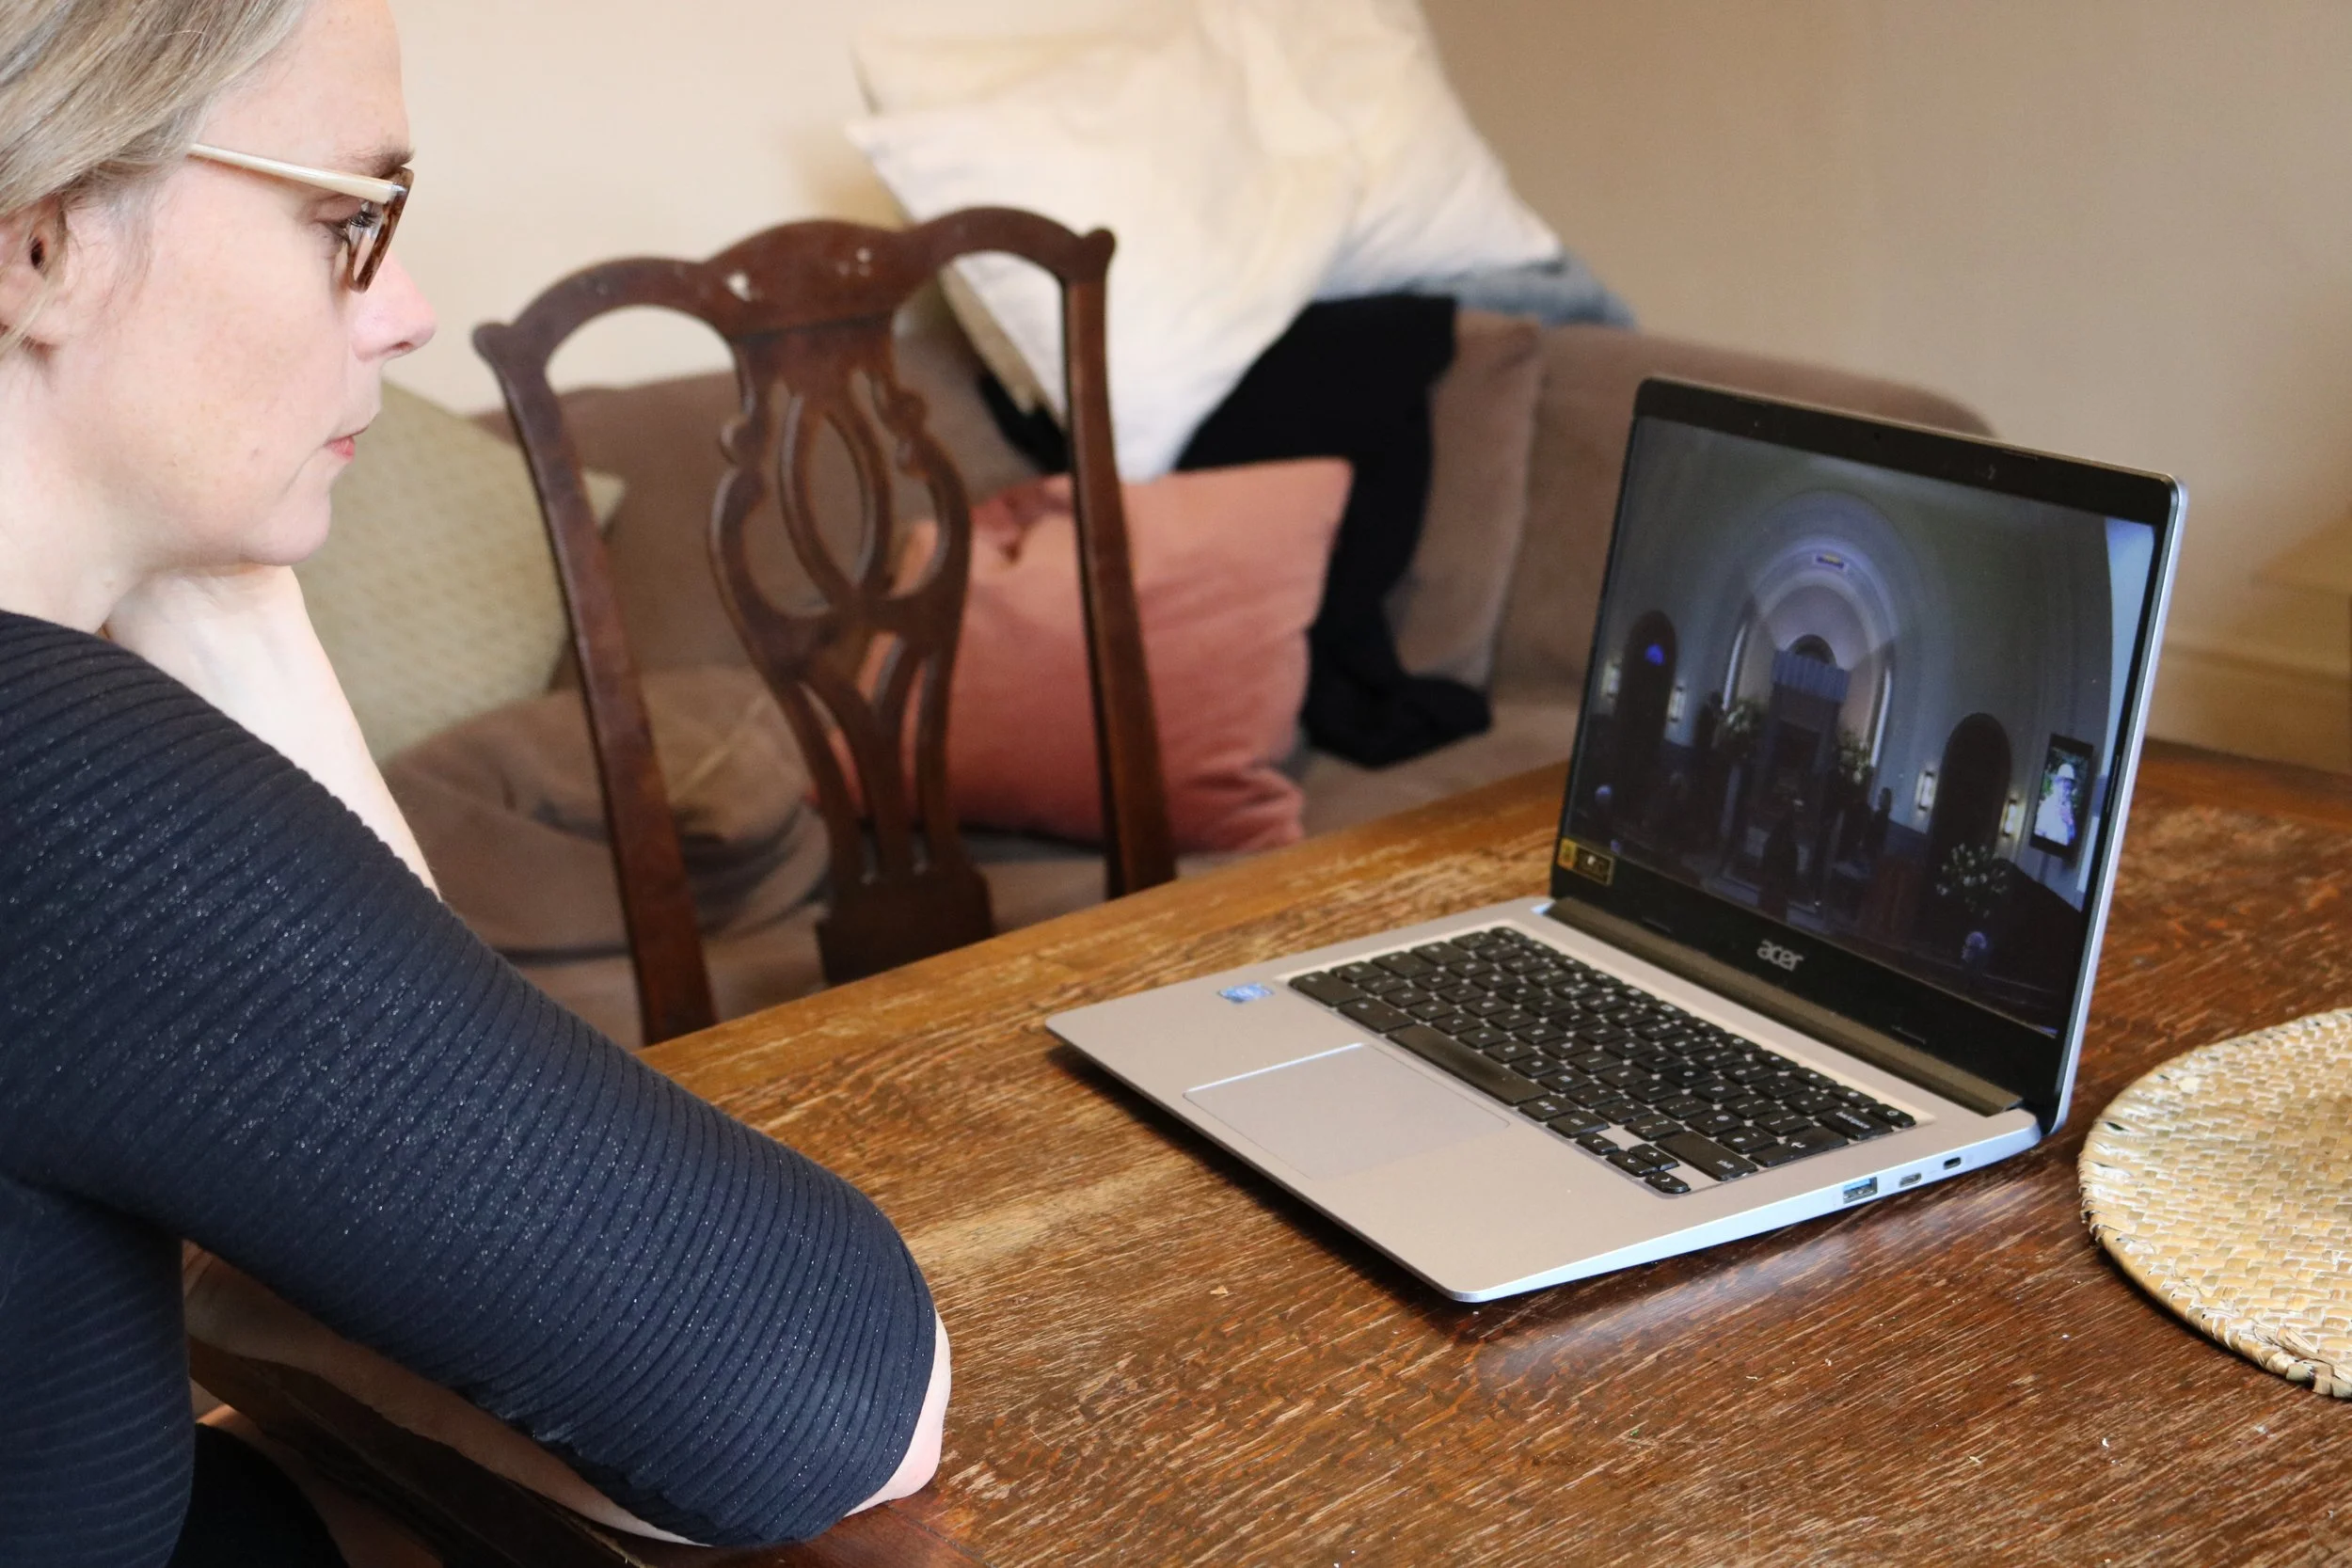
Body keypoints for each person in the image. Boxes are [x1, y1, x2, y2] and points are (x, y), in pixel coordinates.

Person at [0, 3, 947, 1564]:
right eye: (348, 221)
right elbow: (845, 1401)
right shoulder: (52, 789)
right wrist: (229, 600)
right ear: (39, 238)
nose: (407, 311)